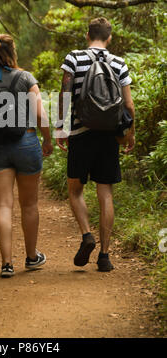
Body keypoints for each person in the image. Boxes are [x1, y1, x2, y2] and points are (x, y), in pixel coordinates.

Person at [55, 17, 135, 272]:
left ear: (87, 34)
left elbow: (65, 93)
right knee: (106, 193)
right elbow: (128, 104)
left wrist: (61, 127)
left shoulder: (74, 58)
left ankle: (86, 235)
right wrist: (129, 134)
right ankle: (104, 255)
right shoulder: (119, 62)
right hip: (109, 136)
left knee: (75, 190)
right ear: (109, 38)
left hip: (80, 133)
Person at [0, 34, 53, 278]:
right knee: (29, 204)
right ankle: (31, 257)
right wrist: (48, 139)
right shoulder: (26, 77)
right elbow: (40, 115)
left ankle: (6, 264)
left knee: (2, 205)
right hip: (27, 143)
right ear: (12, 52)